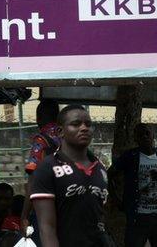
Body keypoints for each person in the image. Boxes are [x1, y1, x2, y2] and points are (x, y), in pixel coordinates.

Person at [30, 104, 109, 247]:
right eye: (76, 124)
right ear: (60, 131)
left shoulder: (100, 168)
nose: (84, 128)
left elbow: (100, 217)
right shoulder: (48, 168)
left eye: (88, 124)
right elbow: (47, 228)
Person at [109, 123, 157, 247]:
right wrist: (116, 200)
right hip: (137, 217)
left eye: (147, 133)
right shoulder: (129, 156)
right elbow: (109, 175)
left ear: (153, 135)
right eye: (140, 135)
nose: (145, 137)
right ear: (135, 138)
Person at [22, 99, 61, 232]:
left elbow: (33, 179)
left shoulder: (40, 141)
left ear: (38, 118)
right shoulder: (69, 137)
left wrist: (24, 216)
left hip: (47, 208)